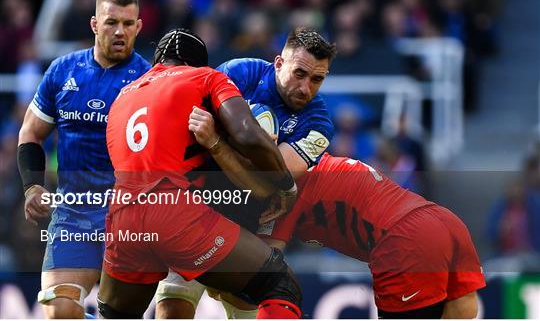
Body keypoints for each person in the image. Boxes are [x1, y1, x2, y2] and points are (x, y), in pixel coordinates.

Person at [182, 108, 487, 319]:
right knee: (462, 313)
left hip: (401, 239)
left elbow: (263, 272)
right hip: (443, 219)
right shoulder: (313, 161)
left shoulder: (283, 191)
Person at [98, 28, 302, 319]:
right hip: (175, 213)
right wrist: (284, 184)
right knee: (280, 284)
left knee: (113, 313)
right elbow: (247, 134)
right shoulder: (206, 77)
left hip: (123, 218)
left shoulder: (121, 97)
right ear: (198, 63)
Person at [155, 27, 337, 318]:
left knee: (245, 308)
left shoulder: (319, 123)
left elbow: (271, 177)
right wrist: (255, 147)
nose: (306, 88)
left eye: (317, 79)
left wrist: (218, 141)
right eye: (299, 74)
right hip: (200, 206)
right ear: (278, 63)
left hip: (251, 223)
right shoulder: (241, 72)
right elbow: (192, 125)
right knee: (173, 304)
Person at [16, 0, 149, 318]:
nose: (120, 31)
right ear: (94, 24)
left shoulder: (150, 81)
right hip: (72, 213)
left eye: (128, 24)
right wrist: (33, 185)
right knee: (58, 309)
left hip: (129, 215)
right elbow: (31, 132)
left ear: (139, 27)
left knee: (119, 314)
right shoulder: (63, 72)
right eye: (111, 22)